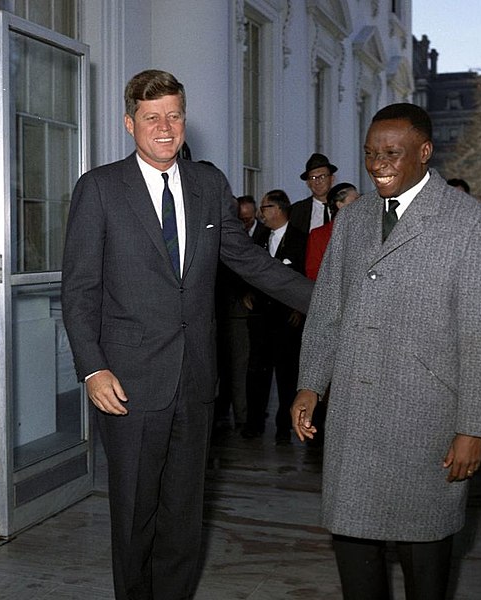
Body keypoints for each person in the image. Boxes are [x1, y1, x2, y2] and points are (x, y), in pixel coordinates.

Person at [61, 69, 312, 600]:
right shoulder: (100, 189)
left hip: (195, 380)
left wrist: (326, 300)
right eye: (152, 118)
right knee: (134, 514)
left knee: (183, 514)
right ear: (130, 124)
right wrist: (92, 366)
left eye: (174, 115)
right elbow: (79, 291)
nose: (165, 128)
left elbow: (247, 260)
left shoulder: (208, 184)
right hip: (126, 384)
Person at [291, 102, 481, 600]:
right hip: (354, 420)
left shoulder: (470, 224)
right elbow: (327, 310)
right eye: (371, 154)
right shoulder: (353, 221)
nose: (378, 164)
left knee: (425, 564)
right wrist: (311, 384)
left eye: (392, 153)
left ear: (424, 152)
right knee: (355, 556)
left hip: (427, 424)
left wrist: (474, 429)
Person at [241, 190, 307, 444]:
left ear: (278, 209)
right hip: (260, 319)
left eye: (265, 207)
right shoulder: (258, 238)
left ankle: (283, 427)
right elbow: (247, 269)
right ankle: (254, 424)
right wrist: (245, 293)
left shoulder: (300, 239)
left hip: (287, 321)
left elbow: (305, 276)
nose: (261, 213)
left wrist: (299, 308)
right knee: (257, 372)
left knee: (287, 376)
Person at [214, 195, 268, 430]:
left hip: (243, 315)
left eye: (248, 218)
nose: (245, 223)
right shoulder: (216, 234)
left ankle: (243, 419)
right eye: (241, 219)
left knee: (240, 368)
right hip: (217, 312)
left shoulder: (262, 236)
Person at [305, 182, 359, 281]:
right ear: (340, 205)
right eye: (355, 201)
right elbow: (313, 272)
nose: (361, 205)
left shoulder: (367, 229)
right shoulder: (319, 235)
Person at [290, 153, 338, 234]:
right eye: (313, 178)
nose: (317, 182)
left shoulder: (344, 207)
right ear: (308, 183)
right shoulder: (296, 212)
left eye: (322, 176)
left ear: (332, 179)